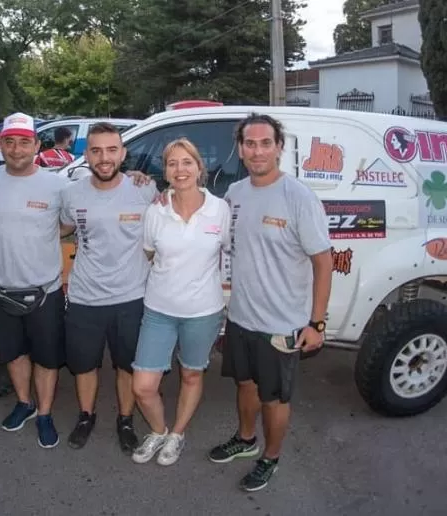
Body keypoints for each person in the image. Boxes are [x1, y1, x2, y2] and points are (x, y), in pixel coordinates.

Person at [208, 114, 332, 492]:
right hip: (242, 318)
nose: (257, 150)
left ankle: (271, 457)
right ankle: (246, 441)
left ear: (279, 147)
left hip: (282, 326)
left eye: (265, 143)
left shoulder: (299, 198)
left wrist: (317, 323)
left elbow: (323, 262)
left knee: (274, 398)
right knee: (245, 385)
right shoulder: (235, 194)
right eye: (250, 143)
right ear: (240, 149)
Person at [0, 112, 71, 448]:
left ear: (37, 145)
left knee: (46, 357)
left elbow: (72, 221)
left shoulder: (58, 184)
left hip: (44, 290)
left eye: (24, 142)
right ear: (1, 145)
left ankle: (45, 413)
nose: (16, 149)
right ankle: (24, 404)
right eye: (9, 142)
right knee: (14, 353)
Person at [130, 138, 230, 466]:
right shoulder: (155, 210)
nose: (180, 169)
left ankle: (177, 434)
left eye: (187, 162)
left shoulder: (220, 209)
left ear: (199, 168)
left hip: (203, 311)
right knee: (143, 386)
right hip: (159, 309)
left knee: (191, 374)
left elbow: (228, 252)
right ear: (166, 171)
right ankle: (158, 430)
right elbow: (148, 253)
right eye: (172, 163)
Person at [57, 122, 156, 452]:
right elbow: (61, 229)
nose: (104, 157)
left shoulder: (144, 190)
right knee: (85, 365)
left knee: (127, 366)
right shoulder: (72, 194)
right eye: (96, 150)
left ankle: (125, 420)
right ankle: (86, 416)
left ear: (123, 154)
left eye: (112, 150)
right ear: (86, 155)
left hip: (132, 297)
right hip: (85, 296)